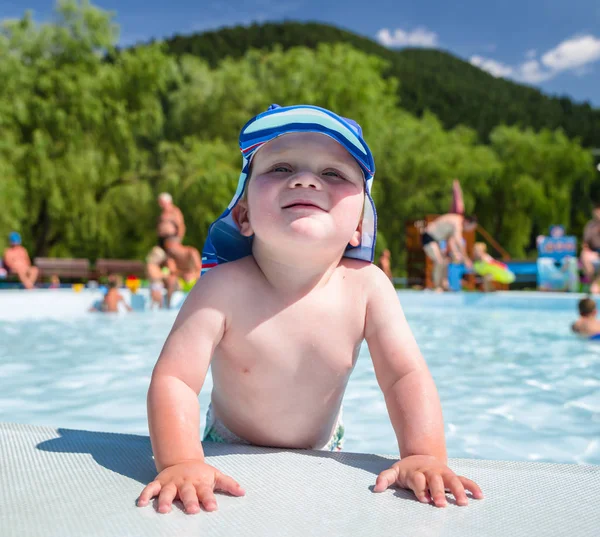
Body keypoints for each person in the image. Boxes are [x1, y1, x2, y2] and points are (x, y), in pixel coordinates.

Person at [137, 104, 482, 515]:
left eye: (333, 173)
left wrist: (424, 455)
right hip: (226, 442)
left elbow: (404, 375)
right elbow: (176, 379)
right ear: (243, 215)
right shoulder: (221, 288)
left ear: (359, 225)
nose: (304, 179)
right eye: (281, 168)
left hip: (325, 445)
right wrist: (182, 462)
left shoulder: (368, 288)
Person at [422, 214, 477, 292]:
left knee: (445, 262)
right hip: (428, 238)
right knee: (439, 262)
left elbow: (451, 241)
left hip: (436, 241)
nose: (470, 230)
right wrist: (466, 259)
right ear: (467, 222)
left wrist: (455, 253)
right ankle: (437, 287)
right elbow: (459, 242)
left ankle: (443, 285)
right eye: (472, 227)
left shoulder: (456, 223)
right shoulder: (457, 222)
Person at [163, 242, 202, 307]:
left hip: (194, 281)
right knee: (171, 280)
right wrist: (183, 274)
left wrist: (193, 275)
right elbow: (172, 271)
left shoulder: (191, 252)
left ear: (178, 245)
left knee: (204, 279)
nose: (170, 251)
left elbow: (201, 269)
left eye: (170, 248)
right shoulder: (171, 256)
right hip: (180, 282)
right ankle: (168, 307)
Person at [580, 202, 600, 293]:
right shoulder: (590, 226)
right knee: (584, 255)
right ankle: (593, 282)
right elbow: (585, 244)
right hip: (594, 252)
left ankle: (596, 284)